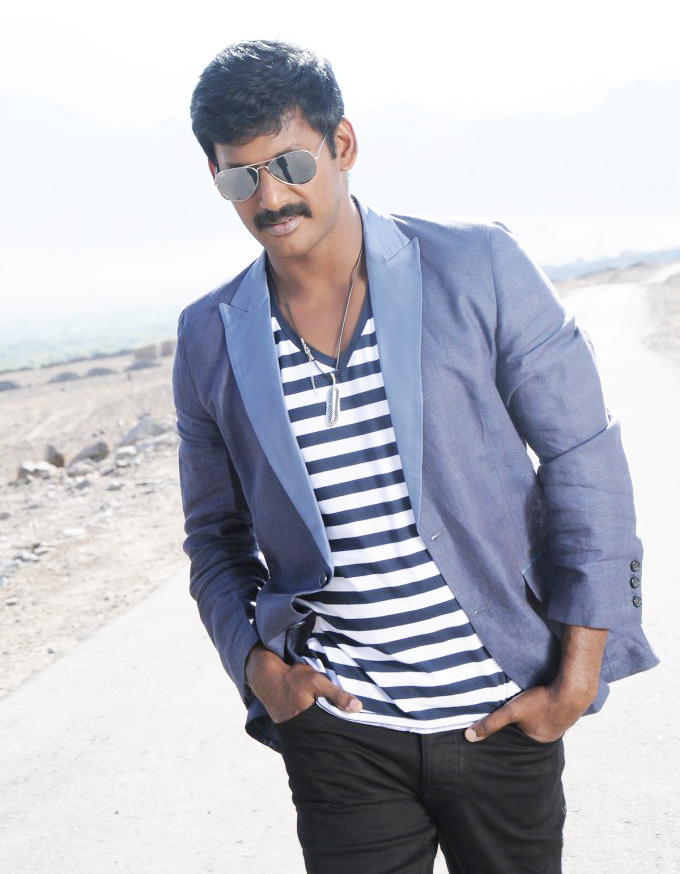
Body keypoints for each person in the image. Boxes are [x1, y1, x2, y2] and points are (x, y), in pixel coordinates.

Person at [174, 39, 658, 874]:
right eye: (240, 177)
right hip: (341, 734)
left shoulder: (479, 266)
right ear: (215, 175)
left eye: (290, 164)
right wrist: (258, 668)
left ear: (342, 144)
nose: (271, 197)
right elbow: (214, 539)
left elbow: (585, 460)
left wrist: (578, 674)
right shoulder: (209, 336)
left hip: (503, 711)